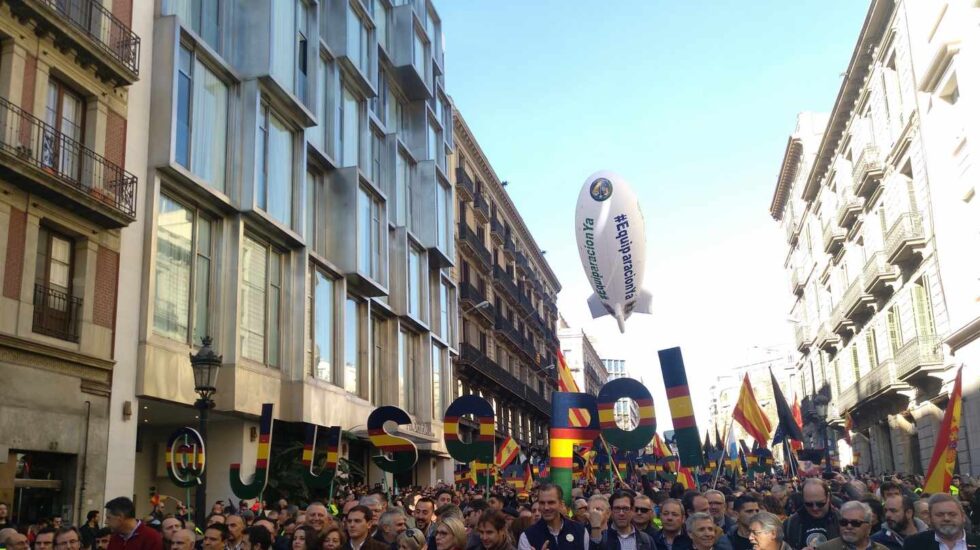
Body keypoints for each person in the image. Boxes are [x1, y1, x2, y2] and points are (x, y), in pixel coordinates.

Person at [518, 483, 592, 550]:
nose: (546, 507)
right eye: (542, 503)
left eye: (551, 502)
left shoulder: (580, 531)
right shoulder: (527, 536)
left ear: (561, 504)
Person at [901, 493, 980, 550]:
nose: (946, 518)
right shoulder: (914, 544)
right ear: (930, 518)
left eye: (952, 514)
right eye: (939, 515)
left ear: (963, 517)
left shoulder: (977, 542)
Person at [782, 480, 839, 550]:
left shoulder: (842, 520)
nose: (815, 508)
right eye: (809, 504)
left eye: (820, 504)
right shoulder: (790, 524)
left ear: (828, 497)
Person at [814, 502, 885, 550]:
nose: (849, 526)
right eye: (844, 522)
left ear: (869, 527)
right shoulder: (826, 548)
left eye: (855, 523)